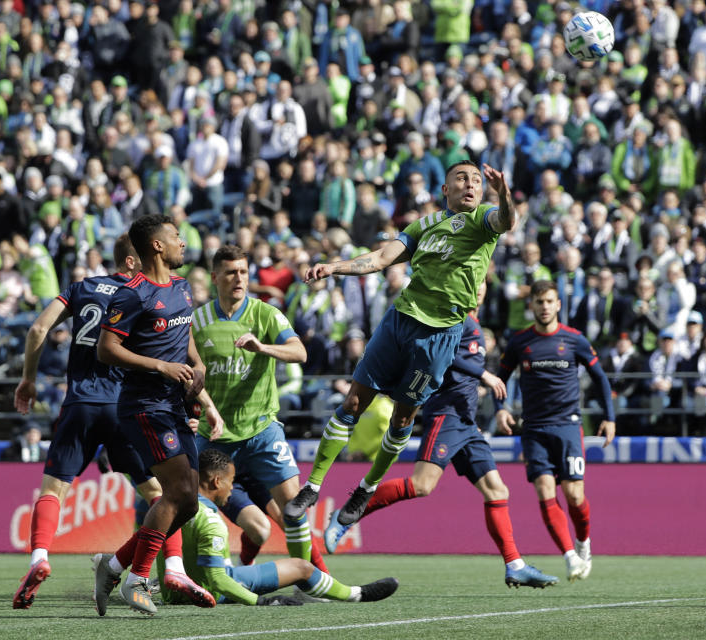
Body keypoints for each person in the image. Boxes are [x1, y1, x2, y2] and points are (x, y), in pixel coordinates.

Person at [285, 161, 517, 531]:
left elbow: (506, 221)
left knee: (403, 418)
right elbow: (378, 259)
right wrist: (333, 267)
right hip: (400, 322)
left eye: (476, 180)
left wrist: (503, 193)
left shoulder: (483, 220)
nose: (470, 184)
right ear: (444, 189)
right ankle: (311, 486)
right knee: (353, 402)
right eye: (462, 178)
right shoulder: (423, 226)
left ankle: (366, 488)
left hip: (439, 337)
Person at [322, 281, 558, 589]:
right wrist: (482, 374)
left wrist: (484, 389)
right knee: (421, 485)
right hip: (444, 415)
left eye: (483, 284)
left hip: (466, 420)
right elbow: (441, 355)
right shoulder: (452, 320)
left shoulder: (473, 323)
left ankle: (514, 564)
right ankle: (346, 513)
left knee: (497, 490)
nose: (479, 289)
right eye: (474, 284)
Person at [11, 234, 190, 611]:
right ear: (131, 261)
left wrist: (28, 379)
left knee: (54, 489)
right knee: (161, 493)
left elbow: (38, 330)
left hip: (80, 403)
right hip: (125, 404)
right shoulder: (143, 294)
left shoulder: (81, 287)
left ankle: (40, 558)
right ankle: (173, 566)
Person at [92, 214, 220, 616]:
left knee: (189, 504)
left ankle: (112, 566)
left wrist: (196, 369)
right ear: (157, 246)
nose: (184, 242)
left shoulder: (182, 288)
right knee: (178, 491)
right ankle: (136, 580)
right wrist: (160, 366)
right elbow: (106, 349)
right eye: (177, 237)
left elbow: (186, 339)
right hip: (144, 405)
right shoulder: (133, 294)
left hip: (174, 405)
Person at [190, 244, 316, 565]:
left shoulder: (265, 314)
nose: (239, 279)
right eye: (231, 272)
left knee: (294, 508)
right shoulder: (198, 320)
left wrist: (263, 348)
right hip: (215, 438)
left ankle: (309, 581)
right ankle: (173, 573)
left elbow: (299, 352)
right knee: (183, 506)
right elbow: (187, 373)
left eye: (244, 272)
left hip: (262, 431)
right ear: (215, 277)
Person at [162, 449, 398, 606]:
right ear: (216, 482)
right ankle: (356, 594)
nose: (232, 489)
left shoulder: (168, 505)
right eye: (231, 482)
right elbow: (217, 581)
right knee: (302, 567)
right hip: (209, 593)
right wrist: (261, 601)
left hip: (172, 593)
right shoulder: (211, 521)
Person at [497, 280, 616, 582]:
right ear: (532, 306)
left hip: (567, 427)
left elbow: (600, 378)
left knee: (574, 495)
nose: (545, 307)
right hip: (534, 429)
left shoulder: (573, 339)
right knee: (544, 490)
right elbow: (500, 378)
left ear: (558, 304)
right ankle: (569, 557)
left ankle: (583, 543)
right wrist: (500, 408)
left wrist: (609, 417)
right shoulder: (519, 341)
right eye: (539, 302)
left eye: (550, 301)